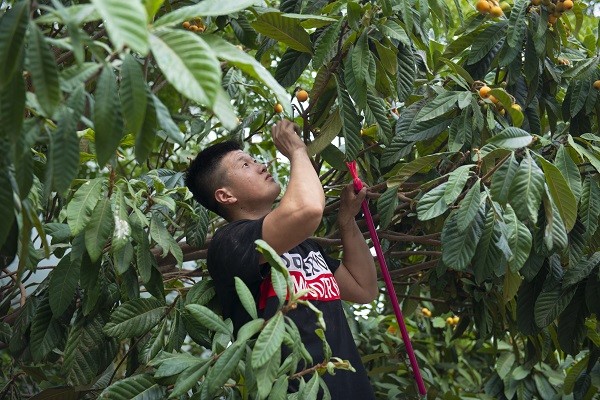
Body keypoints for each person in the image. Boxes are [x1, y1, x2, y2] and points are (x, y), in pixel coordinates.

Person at [185, 119, 378, 398]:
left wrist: (347, 221)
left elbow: (363, 288)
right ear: (225, 195)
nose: (261, 165)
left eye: (254, 160)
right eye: (245, 164)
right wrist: (297, 150)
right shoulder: (229, 244)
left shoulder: (304, 246)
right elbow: (307, 210)